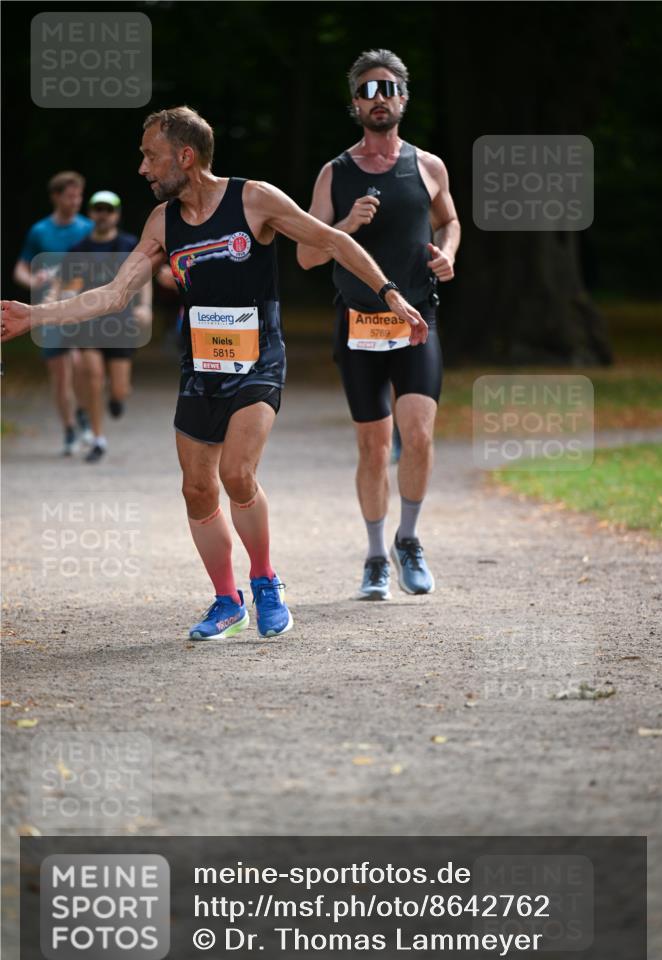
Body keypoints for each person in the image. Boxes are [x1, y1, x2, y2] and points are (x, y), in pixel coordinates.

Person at [2, 106, 427, 640]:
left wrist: (390, 294)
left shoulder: (254, 199)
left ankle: (266, 581)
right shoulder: (163, 222)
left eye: (151, 156)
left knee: (237, 474)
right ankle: (228, 602)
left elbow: (333, 241)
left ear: (185, 156)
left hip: (259, 361)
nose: (142, 168)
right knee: (197, 489)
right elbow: (113, 293)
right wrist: (35, 315)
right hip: (201, 368)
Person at [297, 49, 461, 601]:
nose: (379, 98)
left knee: (418, 435)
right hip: (359, 324)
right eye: (367, 90)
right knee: (373, 447)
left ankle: (407, 540)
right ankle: (374, 557)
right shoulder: (335, 173)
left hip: (417, 320)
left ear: (403, 98)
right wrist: (345, 225)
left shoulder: (428, 166)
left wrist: (448, 252)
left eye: (388, 88)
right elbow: (306, 256)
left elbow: (449, 220)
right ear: (355, 104)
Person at [62, 190, 152, 462]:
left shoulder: (129, 245)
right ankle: (98, 439)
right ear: (91, 213)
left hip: (120, 324)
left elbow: (144, 277)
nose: (103, 214)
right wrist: (67, 298)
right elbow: (70, 284)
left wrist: (144, 306)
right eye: (98, 209)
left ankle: (116, 397)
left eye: (108, 209)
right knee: (93, 375)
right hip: (89, 323)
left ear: (117, 214)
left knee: (119, 389)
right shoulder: (79, 249)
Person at [13, 171, 94, 455]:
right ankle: (70, 430)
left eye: (79, 196)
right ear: (56, 197)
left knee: (82, 366)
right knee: (60, 375)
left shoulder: (88, 228)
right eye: (70, 196)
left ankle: (84, 414)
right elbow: (20, 269)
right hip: (48, 310)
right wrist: (32, 281)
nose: (76, 201)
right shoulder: (40, 231)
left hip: (79, 310)